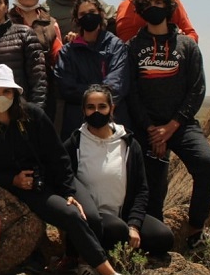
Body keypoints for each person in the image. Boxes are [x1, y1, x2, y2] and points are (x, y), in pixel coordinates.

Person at [0, 64, 140, 275]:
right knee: (71, 215)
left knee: (90, 215)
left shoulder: (33, 116)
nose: (1, 97)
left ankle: (83, 265)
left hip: (58, 178)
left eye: (6, 91)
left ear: (15, 93)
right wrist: (13, 179)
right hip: (31, 188)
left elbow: (58, 155)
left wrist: (69, 190)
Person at [126, 0, 210, 250]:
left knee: (206, 165)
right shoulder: (133, 47)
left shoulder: (187, 46)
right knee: (152, 185)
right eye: (147, 4)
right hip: (147, 127)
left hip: (181, 124)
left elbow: (197, 89)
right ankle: (153, 240)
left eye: (159, 3)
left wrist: (172, 126)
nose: (153, 8)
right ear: (140, 10)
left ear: (169, 7)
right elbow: (131, 92)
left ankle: (195, 229)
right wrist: (151, 128)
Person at [62, 85, 174, 255]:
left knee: (163, 237)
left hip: (125, 214)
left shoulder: (128, 143)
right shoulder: (75, 144)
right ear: (83, 111)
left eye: (102, 107)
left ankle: (123, 249)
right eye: (91, 107)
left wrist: (134, 225)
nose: (96, 112)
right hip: (95, 217)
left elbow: (141, 189)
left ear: (111, 108)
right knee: (116, 230)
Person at [55, 0, 131, 141]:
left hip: (113, 119)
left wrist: (97, 103)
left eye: (92, 13)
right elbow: (66, 86)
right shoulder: (67, 52)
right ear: (76, 19)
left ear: (101, 15)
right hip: (77, 122)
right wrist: (96, 97)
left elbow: (117, 83)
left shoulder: (116, 46)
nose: (88, 17)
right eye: (83, 14)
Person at [9, 0, 62, 121]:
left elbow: (57, 56)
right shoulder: (5, 21)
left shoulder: (51, 23)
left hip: (44, 90)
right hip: (12, 88)